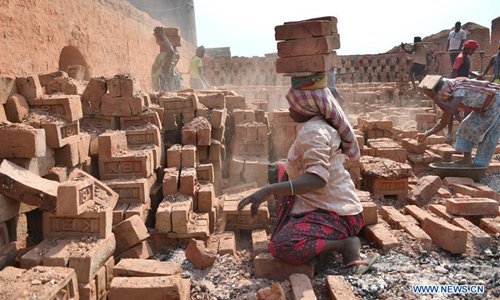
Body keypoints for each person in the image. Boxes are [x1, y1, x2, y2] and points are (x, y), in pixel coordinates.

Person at [237, 73, 379, 274]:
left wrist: (269, 190)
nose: (290, 109)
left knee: (281, 245)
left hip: (338, 215)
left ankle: (345, 245)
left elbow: (317, 179)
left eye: (294, 105)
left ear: (308, 107)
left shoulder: (313, 131)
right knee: (279, 176)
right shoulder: (316, 125)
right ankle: (321, 248)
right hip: (327, 206)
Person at [418, 76, 500, 167]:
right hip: (485, 108)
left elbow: (451, 110)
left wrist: (434, 98)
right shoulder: (452, 94)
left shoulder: (459, 89)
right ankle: (466, 159)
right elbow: (443, 122)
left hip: (497, 103)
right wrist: (426, 134)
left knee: (489, 135)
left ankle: (480, 165)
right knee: (466, 126)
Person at [151, 26, 182, 92]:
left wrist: (163, 36)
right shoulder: (164, 62)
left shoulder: (164, 61)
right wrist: (163, 36)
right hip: (164, 95)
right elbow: (171, 52)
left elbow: (171, 51)